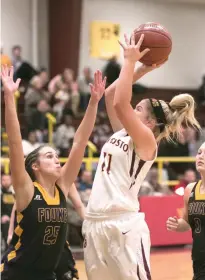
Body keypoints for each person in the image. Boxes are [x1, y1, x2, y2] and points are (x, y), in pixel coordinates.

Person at [82, 33, 200, 280]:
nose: (132, 109)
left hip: (122, 225)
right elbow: (112, 95)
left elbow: (119, 103)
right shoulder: (123, 133)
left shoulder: (146, 141)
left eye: (138, 108)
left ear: (150, 121)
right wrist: (142, 69)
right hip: (95, 221)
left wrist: (129, 61)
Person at [0, 65, 106, 280]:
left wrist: (93, 103)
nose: (57, 160)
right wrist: (10, 97)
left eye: (56, 156)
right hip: (17, 273)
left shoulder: (62, 188)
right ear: (35, 166)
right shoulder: (26, 190)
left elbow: (79, 142)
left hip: (47, 274)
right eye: (49, 156)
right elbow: (14, 141)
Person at [7, 183, 84, 280]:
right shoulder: (29, 181)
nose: (57, 166)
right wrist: (10, 232)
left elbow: (79, 205)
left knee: (64, 273)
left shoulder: (63, 180)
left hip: (57, 245)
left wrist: (89, 226)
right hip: (32, 244)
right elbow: (17, 206)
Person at [166, 142, 205, 280]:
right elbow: (188, 223)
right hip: (199, 263)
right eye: (199, 152)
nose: (201, 156)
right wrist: (178, 224)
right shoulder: (190, 190)